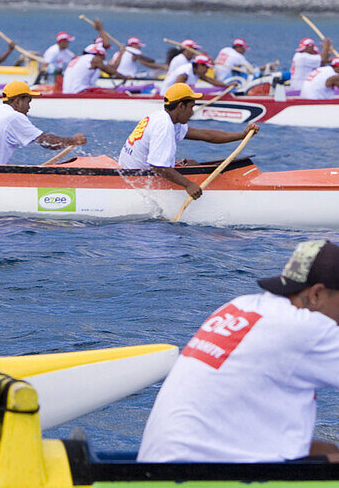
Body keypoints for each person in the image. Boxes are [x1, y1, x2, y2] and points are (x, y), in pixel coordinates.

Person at [138, 238, 339, 463]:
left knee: (327, 451)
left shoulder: (240, 306)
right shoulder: (307, 328)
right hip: (194, 479)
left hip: (160, 464)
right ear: (317, 295)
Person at [118, 83, 258, 200]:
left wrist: (242, 135)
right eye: (191, 107)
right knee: (191, 169)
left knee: (191, 163)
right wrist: (188, 185)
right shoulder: (164, 126)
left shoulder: (166, 118)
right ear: (180, 106)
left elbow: (205, 135)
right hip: (137, 178)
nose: (192, 112)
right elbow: (158, 167)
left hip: (135, 170)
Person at [0, 81, 86, 165]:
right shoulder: (13, 116)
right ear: (17, 101)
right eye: (28, 102)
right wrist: (73, 140)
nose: (28, 108)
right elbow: (47, 142)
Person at [62, 40, 129, 94]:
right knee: (114, 93)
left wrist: (120, 53)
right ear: (98, 54)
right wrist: (125, 77)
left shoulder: (78, 59)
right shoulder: (94, 59)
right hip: (79, 92)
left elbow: (111, 68)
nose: (102, 60)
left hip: (67, 92)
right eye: (103, 58)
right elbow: (111, 71)